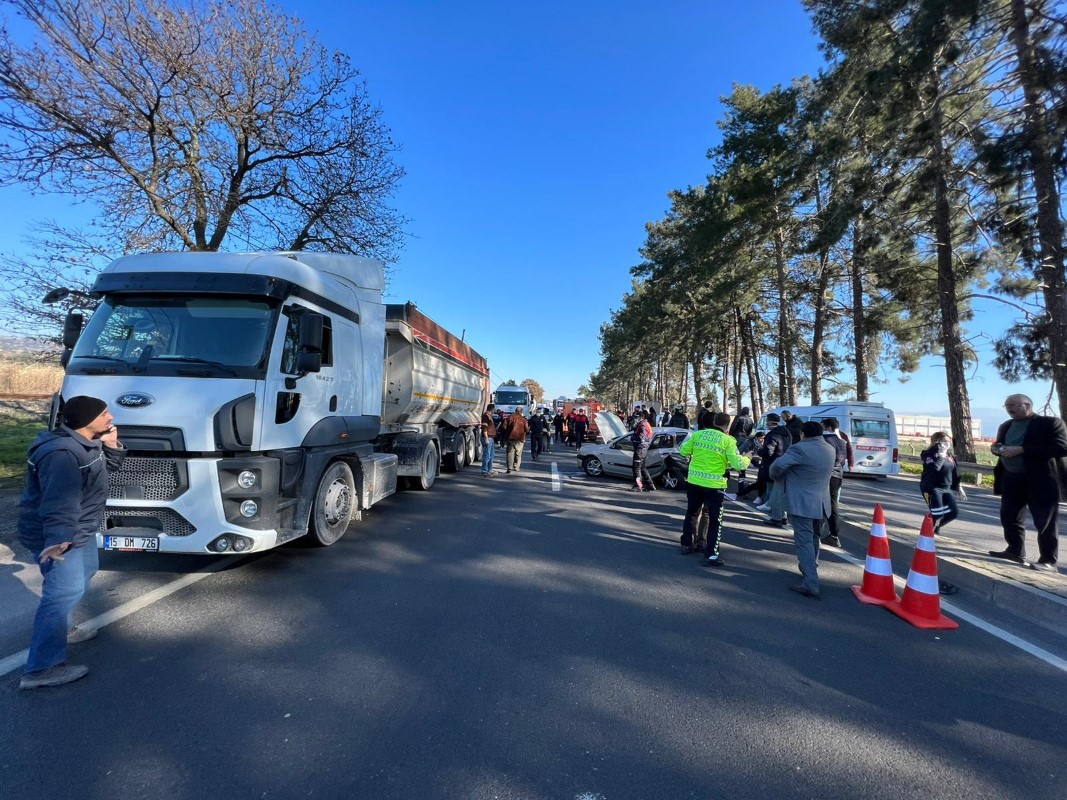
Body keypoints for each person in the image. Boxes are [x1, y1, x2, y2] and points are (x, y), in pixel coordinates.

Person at [17, 396, 127, 689]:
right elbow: (58, 501)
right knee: (61, 594)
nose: (110, 417)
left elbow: (100, 474)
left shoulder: (85, 443)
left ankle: (62, 629)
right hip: (59, 533)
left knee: (86, 570)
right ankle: (41, 669)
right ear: (85, 420)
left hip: (78, 529)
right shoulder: (63, 454)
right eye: (104, 414)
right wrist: (58, 539)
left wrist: (111, 445)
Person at [989, 394, 1067, 571]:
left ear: (1028, 405)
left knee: (1045, 521)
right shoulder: (1006, 425)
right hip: (1011, 478)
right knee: (1009, 517)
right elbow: (999, 445)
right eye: (1007, 406)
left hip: (1041, 480)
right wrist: (996, 448)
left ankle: (1048, 560)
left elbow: (1062, 447)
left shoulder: (1050, 423)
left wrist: (1022, 450)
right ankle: (1015, 551)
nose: (1010, 409)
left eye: (1014, 405)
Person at [770, 421, 836, 599]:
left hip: (802, 503)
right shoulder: (830, 449)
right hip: (822, 502)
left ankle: (810, 582)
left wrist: (775, 476)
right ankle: (810, 569)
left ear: (803, 434)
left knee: (804, 541)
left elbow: (777, 467)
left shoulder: (799, 449)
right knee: (814, 538)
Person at [678, 412, 751, 567]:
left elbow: (683, 450)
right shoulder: (728, 440)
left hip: (695, 481)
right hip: (714, 485)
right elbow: (738, 464)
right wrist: (748, 458)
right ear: (727, 425)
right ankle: (710, 554)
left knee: (692, 513)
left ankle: (687, 544)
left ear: (714, 422)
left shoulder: (698, 435)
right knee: (715, 520)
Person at [919, 431, 963, 533]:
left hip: (946, 488)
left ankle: (936, 527)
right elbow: (936, 468)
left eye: (949, 441)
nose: (948, 443)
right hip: (932, 488)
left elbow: (955, 471)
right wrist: (941, 456)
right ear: (937, 442)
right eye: (945, 441)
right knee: (938, 513)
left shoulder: (950, 455)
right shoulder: (928, 454)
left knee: (953, 513)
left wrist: (958, 486)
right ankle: (928, 531)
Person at [756, 413, 792, 525]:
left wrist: (759, 450)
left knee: (773, 491)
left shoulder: (772, 435)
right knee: (782, 491)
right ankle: (783, 516)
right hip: (785, 463)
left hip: (773, 464)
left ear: (770, 421)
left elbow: (768, 452)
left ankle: (776, 517)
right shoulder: (786, 433)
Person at [819, 418, 849, 547]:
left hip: (827, 475)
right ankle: (834, 534)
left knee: (821, 504)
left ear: (829, 428)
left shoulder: (825, 440)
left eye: (822, 426)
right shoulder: (841, 441)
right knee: (832, 503)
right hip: (837, 475)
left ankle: (818, 532)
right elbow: (842, 460)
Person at [629, 413, 655, 492]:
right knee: (642, 467)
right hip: (643, 449)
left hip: (640, 449)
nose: (635, 419)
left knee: (636, 468)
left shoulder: (643, 425)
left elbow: (641, 438)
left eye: (636, 417)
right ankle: (650, 485)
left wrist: (633, 437)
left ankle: (638, 486)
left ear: (641, 417)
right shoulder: (645, 424)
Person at [504, 408, 529, 474]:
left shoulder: (509, 417)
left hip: (510, 438)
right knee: (518, 453)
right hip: (520, 439)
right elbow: (527, 430)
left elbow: (504, 427)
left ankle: (509, 467)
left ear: (515, 411)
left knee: (510, 453)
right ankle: (516, 467)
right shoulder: (523, 419)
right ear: (521, 412)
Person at [480, 403, 497, 477]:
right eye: (494, 409)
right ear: (492, 409)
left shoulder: (490, 416)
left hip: (491, 438)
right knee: (487, 455)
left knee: (491, 455)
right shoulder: (486, 416)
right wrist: (486, 438)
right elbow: (484, 428)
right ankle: (484, 470)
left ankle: (490, 470)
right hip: (488, 438)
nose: (495, 410)